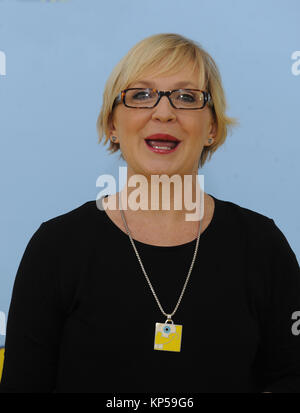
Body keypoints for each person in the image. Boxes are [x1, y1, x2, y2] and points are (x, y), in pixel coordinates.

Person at [0, 33, 300, 393]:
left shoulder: (262, 245)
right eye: (141, 95)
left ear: (213, 128)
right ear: (112, 125)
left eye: (187, 97)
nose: (163, 112)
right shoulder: (56, 247)